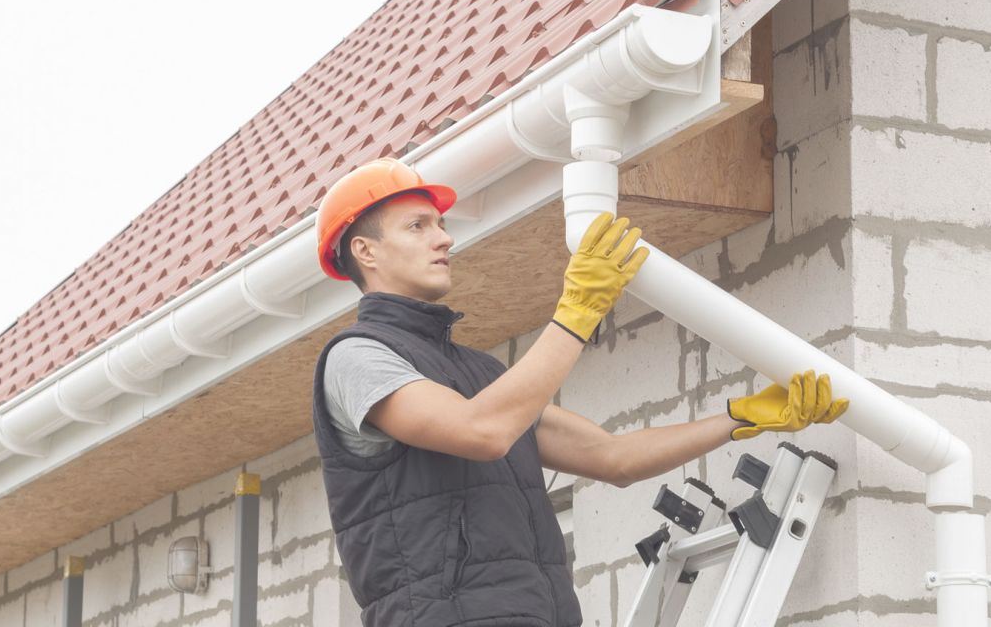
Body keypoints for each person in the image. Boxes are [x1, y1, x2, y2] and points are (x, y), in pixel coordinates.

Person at [311, 157, 849, 627]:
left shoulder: (479, 374)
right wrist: (577, 311)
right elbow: (483, 432)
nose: (444, 237)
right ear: (366, 251)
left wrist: (740, 416)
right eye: (418, 225)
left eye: (442, 223)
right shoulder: (356, 358)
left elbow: (611, 458)